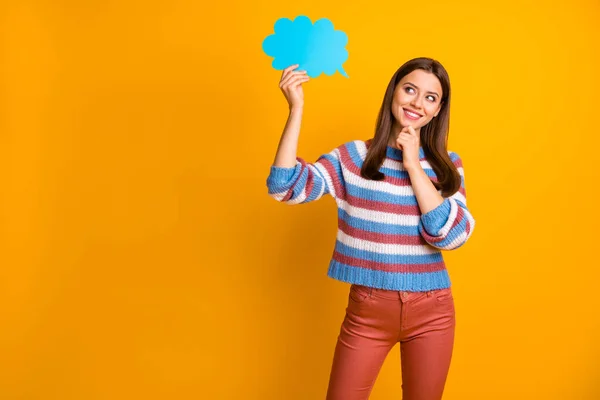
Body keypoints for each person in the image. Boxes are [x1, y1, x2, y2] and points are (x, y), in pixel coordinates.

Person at [265, 57, 476, 400]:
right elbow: (285, 186)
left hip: (433, 311)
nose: (416, 103)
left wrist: (412, 164)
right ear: (394, 92)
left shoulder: (448, 165)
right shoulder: (353, 158)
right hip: (368, 311)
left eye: (430, 97)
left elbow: (452, 236)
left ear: (438, 110)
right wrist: (296, 110)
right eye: (410, 89)